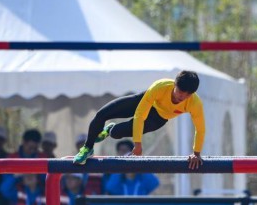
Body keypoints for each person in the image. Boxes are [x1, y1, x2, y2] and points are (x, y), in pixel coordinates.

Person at [73, 70, 205, 169]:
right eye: (180, 92)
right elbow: (140, 115)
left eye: (187, 95)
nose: (182, 97)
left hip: (158, 118)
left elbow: (200, 129)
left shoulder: (195, 103)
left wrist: (196, 153)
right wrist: (138, 144)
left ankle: (109, 130)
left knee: (116, 133)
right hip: (143, 102)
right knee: (102, 114)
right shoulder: (160, 87)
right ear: (174, 84)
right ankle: (87, 148)